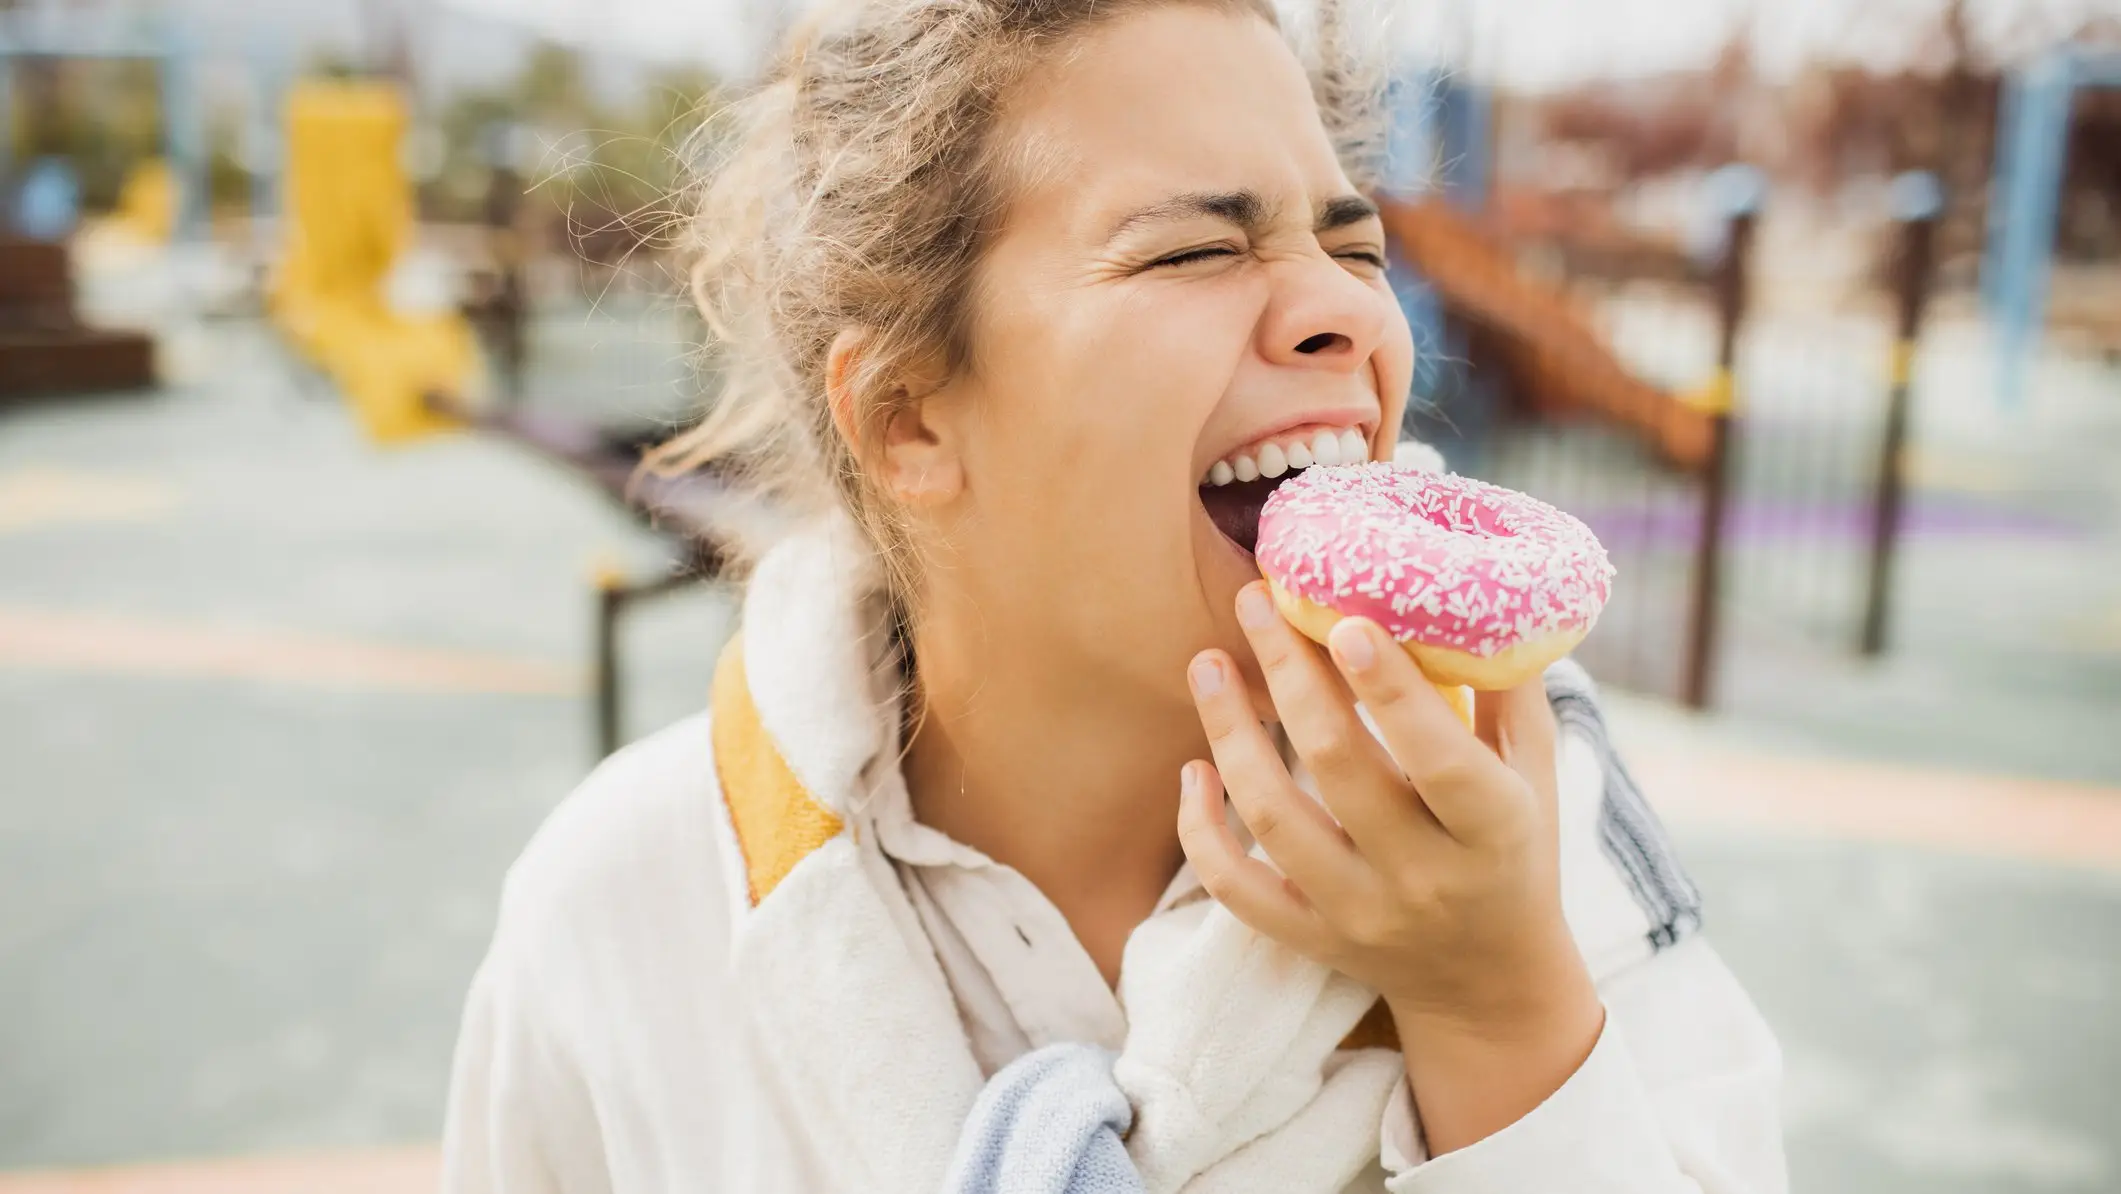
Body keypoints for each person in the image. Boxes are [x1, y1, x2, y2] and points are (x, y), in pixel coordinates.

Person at [441, 1, 1785, 1190]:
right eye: (1196, 251)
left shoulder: (1528, 818)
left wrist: (1496, 1004)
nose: (1348, 316)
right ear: (909, 417)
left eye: (1353, 245)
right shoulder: (626, 909)